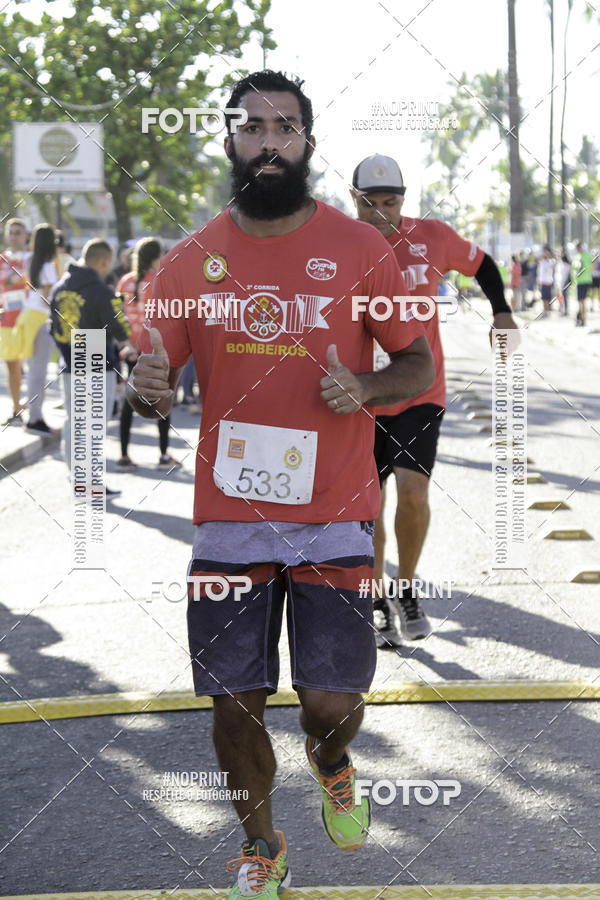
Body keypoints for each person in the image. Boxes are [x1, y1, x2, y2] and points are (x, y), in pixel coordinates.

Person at [127, 70, 434, 898]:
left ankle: (332, 759)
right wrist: (147, 386)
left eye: (285, 127)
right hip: (228, 519)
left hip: (333, 511)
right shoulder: (190, 260)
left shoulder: (362, 249)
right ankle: (263, 846)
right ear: (230, 141)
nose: (269, 141)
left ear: (306, 142)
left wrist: (365, 390)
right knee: (233, 708)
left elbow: (418, 361)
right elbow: (152, 376)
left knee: (329, 704)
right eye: (253, 127)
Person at [351, 154, 518, 648]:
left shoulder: (434, 236)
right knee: (368, 506)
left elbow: (483, 265)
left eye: (391, 201)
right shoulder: (338, 241)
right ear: (353, 198)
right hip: (359, 394)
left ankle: (406, 588)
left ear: (404, 197)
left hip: (422, 390)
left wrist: (502, 313)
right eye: (369, 202)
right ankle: (376, 595)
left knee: (414, 493)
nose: (381, 211)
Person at [50, 239, 131, 495]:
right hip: (95, 356)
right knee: (94, 424)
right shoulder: (102, 290)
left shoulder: (59, 287)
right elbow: (120, 327)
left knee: (73, 420)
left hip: (69, 358)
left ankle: (76, 475)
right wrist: (131, 347)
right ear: (105, 261)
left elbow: (52, 328)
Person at [116, 237, 180, 470]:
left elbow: (117, 316)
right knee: (161, 397)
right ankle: (163, 456)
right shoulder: (160, 280)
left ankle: (123, 456)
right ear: (157, 256)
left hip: (131, 351)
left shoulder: (124, 282)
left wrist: (127, 345)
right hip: (155, 351)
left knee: (127, 404)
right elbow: (166, 318)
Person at [13, 223, 59, 434]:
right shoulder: (49, 266)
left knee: (34, 371)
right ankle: (35, 419)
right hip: (41, 319)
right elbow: (47, 300)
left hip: (27, 317)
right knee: (38, 373)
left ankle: (34, 416)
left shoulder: (30, 260)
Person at [0, 219, 29, 426]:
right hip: (7, 321)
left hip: (30, 319)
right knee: (12, 366)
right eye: (11, 232)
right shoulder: (1, 260)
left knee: (37, 367)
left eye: (18, 232)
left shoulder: (31, 258)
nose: (14, 236)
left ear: (26, 236)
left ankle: (36, 412)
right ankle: (17, 409)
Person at [573, 242, 593, 327]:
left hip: (585, 281)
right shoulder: (576, 257)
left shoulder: (587, 255)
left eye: (578, 248)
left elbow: (592, 266)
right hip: (578, 281)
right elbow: (574, 269)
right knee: (580, 301)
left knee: (582, 301)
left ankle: (583, 319)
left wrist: (583, 269)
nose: (577, 249)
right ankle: (580, 317)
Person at [537, 245, 555, 317]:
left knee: (548, 298)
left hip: (549, 282)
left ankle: (547, 311)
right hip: (543, 282)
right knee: (544, 298)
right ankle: (545, 311)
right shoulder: (542, 262)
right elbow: (538, 259)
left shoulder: (551, 262)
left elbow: (553, 270)